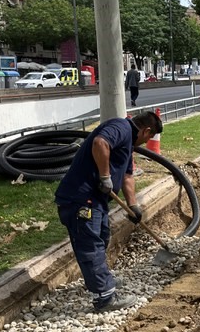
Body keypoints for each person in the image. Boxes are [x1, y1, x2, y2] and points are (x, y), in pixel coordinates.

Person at [55, 111, 164, 313]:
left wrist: (133, 206)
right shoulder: (121, 128)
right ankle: (105, 297)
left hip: (96, 201)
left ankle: (100, 279)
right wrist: (105, 176)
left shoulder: (128, 144)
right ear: (146, 130)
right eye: (149, 138)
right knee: (91, 245)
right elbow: (100, 142)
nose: (146, 142)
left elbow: (127, 177)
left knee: (102, 237)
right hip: (80, 199)